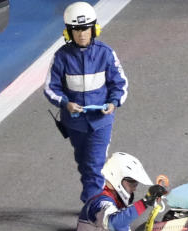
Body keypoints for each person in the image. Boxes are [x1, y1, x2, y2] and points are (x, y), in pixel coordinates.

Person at [44, 1, 129, 203]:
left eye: (85, 29)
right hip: (75, 124)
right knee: (84, 163)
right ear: (68, 33)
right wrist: (66, 103)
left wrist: (113, 102)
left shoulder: (106, 53)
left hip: (101, 122)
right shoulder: (61, 57)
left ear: (94, 29)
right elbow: (50, 88)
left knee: (94, 165)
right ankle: (96, 198)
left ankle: (92, 211)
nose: (82, 34)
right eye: (76, 30)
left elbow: (121, 84)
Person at [69, 151, 167, 231]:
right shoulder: (100, 202)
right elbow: (113, 223)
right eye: (133, 184)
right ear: (118, 178)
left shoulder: (117, 208)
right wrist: (145, 202)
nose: (134, 189)